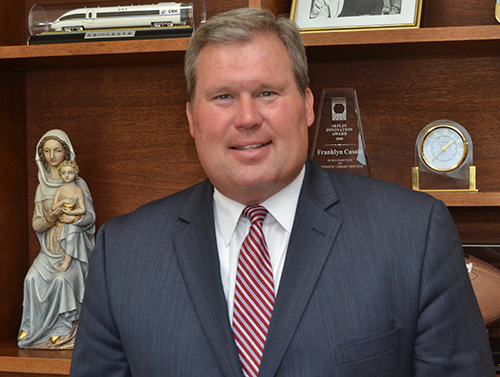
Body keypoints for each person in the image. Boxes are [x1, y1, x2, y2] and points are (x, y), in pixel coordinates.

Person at [70, 8, 495, 377]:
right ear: (192, 120)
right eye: (223, 97)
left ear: (308, 106)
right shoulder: (122, 253)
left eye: (267, 93)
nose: (247, 118)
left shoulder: (413, 234)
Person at [18, 129, 95, 350]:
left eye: (58, 150)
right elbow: (37, 224)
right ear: (41, 154)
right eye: (47, 151)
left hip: (72, 252)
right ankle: (33, 328)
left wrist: (73, 219)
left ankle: (63, 329)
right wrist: (52, 217)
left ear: (66, 152)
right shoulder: (42, 187)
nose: (52, 156)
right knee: (31, 278)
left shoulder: (79, 184)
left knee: (62, 281)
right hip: (48, 250)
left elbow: (90, 217)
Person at [51, 160, 87, 273]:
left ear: (76, 173)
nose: (67, 176)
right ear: (60, 174)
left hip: (73, 222)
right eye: (64, 173)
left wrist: (71, 213)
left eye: (70, 173)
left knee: (71, 235)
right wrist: (63, 202)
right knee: (60, 238)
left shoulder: (78, 190)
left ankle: (68, 259)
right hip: (63, 221)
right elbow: (53, 207)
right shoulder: (60, 190)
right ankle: (66, 257)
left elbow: (83, 209)